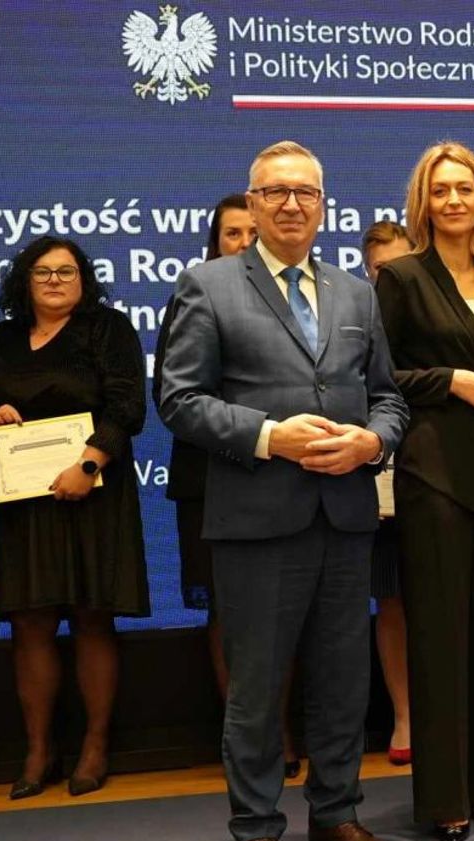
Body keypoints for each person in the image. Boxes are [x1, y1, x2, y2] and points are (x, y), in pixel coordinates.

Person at [160, 140, 408, 841]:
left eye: (305, 192)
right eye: (275, 192)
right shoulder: (207, 285)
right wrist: (271, 436)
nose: (292, 204)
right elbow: (180, 400)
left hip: (345, 516)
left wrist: (372, 441)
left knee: (343, 682)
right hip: (258, 519)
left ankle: (335, 814)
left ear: (323, 205)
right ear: (253, 203)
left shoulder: (356, 294)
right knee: (258, 687)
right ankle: (257, 832)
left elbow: (389, 397)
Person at [375, 141, 474, 841]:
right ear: (423, 201)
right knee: (441, 640)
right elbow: (376, 375)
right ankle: (445, 798)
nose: (453, 200)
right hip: (433, 473)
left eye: (464, 188)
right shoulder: (400, 277)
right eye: (440, 190)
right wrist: (452, 381)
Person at [0, 236, 150, 800]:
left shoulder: (108, 329)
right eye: (43, 272)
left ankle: (95, 748)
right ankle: (38, 751)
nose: (54, 281)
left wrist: (89, 464)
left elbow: (128, 406)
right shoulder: (2, 338)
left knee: (93, 617)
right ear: (24, 281)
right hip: (25, 501)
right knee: (30, 622)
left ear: (84, 279)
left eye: (66, 272)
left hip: (94, 490)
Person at [150, 196, 302, 772]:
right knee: (227, 610)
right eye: (231, 234)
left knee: (284, 608)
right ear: (214, 243)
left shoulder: (300, 297)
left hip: (286, 472)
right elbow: (172, 396)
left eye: (250, 233)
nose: (243, 243)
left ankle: (281, 729)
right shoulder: (194, 296)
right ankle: (245, 736)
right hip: (210, 479)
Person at [360, 220, 416, 766]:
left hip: (437, 475)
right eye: (381, 270)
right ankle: (404, 713)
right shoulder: (355, 321)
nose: (390, 279)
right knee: (391, 600)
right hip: (376, 482)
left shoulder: (433, 317)